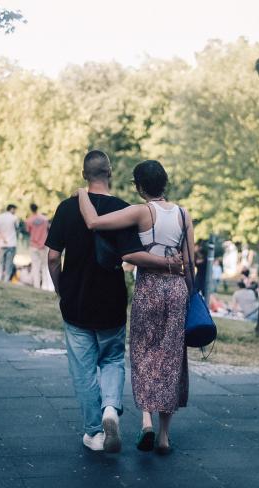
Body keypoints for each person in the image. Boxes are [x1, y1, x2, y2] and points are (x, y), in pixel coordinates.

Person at [46, 151, 183, 454]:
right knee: (111, 359)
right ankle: (111, 408)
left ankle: (95, 433)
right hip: (110, 301)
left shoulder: (67, 208)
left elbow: (53, 257)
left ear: (85, 174)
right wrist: (171, 264)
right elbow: (131, 257)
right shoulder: (124, 209)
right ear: (109, 172)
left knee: (83, 369)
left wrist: (61, 289)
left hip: (76, 302)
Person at [25, 203, 49, 289]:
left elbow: (28, 231)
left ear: (31, 209)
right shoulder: (45, 219)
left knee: (35, 266)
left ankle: (36, 285)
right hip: (43, 244)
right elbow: (47, 229)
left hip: (33, 245)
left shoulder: (29, 220)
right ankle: (45, 285)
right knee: (44, 265)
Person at [0, 204, 19, 282]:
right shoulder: (14, 218)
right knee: (9, 263)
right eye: (14, 210)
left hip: (2, 244)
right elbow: (17, 228)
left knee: (0, 262)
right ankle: (6, 279)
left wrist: (2, 238)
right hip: (11, 243)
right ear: (11, 209)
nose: (15, 211)